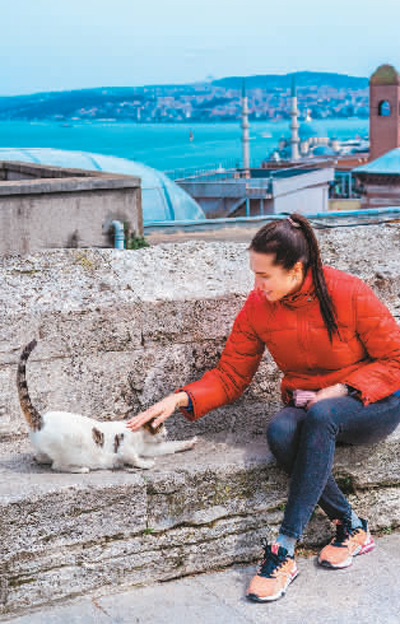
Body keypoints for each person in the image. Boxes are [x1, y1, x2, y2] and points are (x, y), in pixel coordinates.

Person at [126, 213, 400, 603]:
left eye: (265, 276)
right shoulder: (259, 306)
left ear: (296, 270)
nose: (257, 285)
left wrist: (340, 389)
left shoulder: (348, 291)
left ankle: (284, 548)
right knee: (281, 431)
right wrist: (180, 398)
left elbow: (395, 359)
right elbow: (231, 374)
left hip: (373, 401)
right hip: (310, 406)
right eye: (255, 275)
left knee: (323, 414)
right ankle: (351, 526)